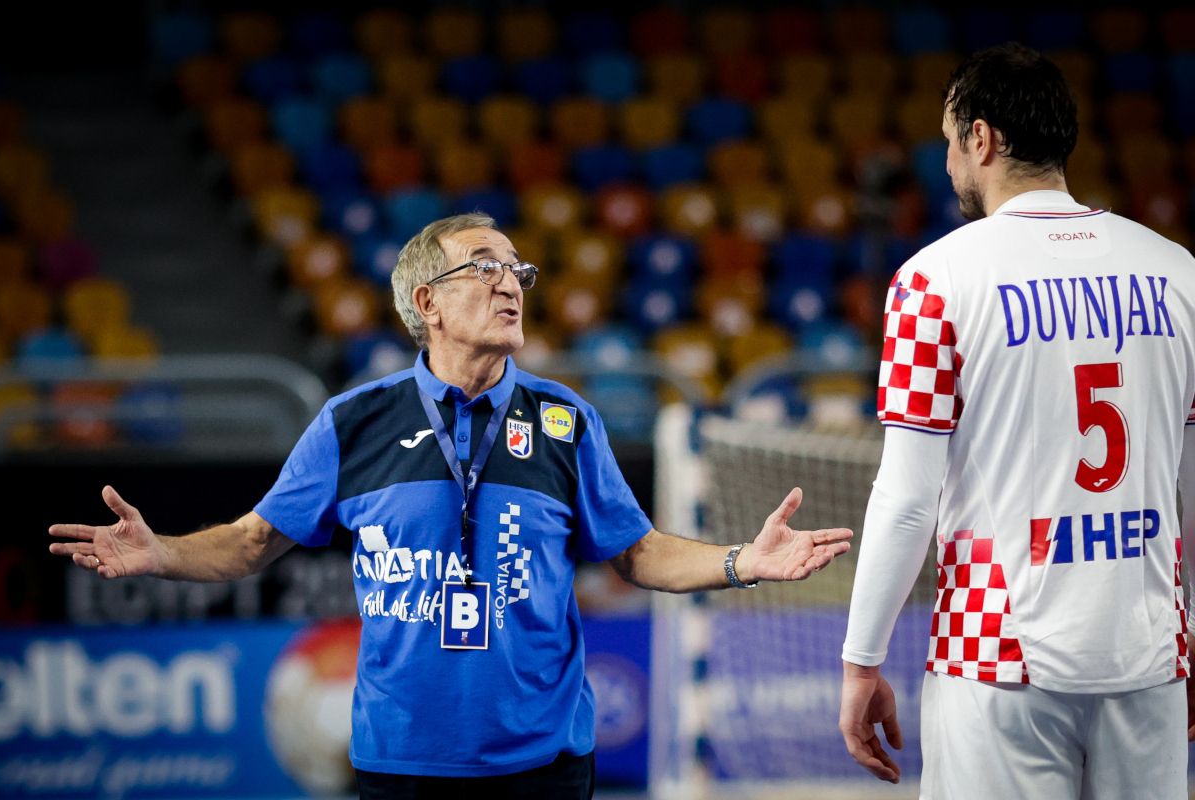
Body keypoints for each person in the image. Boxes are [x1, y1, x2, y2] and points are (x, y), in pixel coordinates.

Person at [49, 212, 853, 799]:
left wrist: (742, 561)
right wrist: (163, 553)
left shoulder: (566, 421)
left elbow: (638, 552)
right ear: (426, 302)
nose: (511, 281)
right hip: (401, 766)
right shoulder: (353, 422)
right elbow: (254, 542)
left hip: (545, 765)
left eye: (517, 269)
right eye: (484, 266)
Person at [837, 42, 1195, 800]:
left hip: (997, 658)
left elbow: (906, 501)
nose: (948, 165)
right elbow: (1189, 495)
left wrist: (861, 661)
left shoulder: (932, 282)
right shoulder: (1179, 272)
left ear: (982, 138)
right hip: (1150, 657)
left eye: (948, 141)